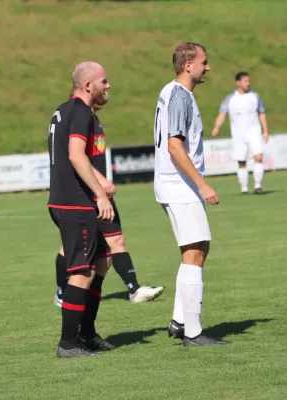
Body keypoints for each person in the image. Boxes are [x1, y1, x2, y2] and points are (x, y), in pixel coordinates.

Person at [154, 42, 230, 346]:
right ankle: (193, 333)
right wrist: (202, 184)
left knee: (197, 248)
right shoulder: (180, 97)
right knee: (195, 252)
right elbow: (175, 147)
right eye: (204, 62)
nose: (207, 67)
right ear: (188, 65)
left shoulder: (173, 92)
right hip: (179, 185)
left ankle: (179, 321)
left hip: (176, 185)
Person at [53, 103, 164, 308]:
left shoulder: (92, 119)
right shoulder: (78, 118)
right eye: (102, 84)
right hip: (86, 194)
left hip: (99, 194)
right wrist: (101, 181)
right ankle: (62, 293)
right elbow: (76, 158)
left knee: (115, 241)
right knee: (71, 247)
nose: (107, 90)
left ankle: (133, 289)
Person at [48, 61, 115, 358]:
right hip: (74, 202)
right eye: (104, 81)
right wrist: (100, 195)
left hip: (68, 200)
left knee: (102, 261)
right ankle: (68, 343)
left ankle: (87, 333)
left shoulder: (63, 109)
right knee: (82, 272)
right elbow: (76, 155)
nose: (108, 86)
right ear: (88, 85)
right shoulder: (79, 112)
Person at [212, 72, 269, 194]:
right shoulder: (230, 99)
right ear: (238, 82)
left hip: (254, 131)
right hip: (238, 134)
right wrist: (217, 127)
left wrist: (265, 130)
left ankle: (258, 186)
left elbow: (261, 113)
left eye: (248, 81)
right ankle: (244, 188)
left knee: (258, 156)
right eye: (245, 81)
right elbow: (222, 114)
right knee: (241, 161)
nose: (248, 83)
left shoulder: (255, 96)